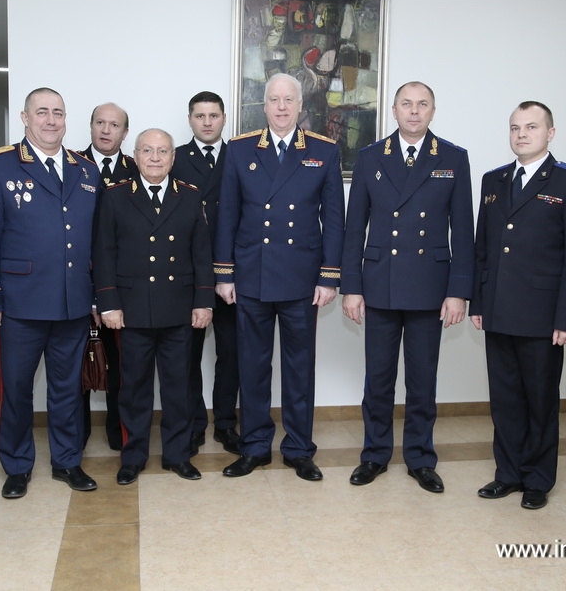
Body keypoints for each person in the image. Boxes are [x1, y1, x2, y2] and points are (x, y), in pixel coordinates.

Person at [340, 81, 474, 494]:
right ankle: (374, 454)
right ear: (394, 110)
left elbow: (463, 230)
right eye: (406, 104)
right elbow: (354, 229)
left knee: (422, 380)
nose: (414, 111)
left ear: (433, 111)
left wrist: (458, 291)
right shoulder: (370, 157)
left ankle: (420, 458)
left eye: (422, 104)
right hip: (379, 284)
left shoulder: (452, 157)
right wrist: (351, 287)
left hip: (430, 287)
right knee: (378, 379)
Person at [0, 87, 100, 499]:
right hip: (19, 305)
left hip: (72, 302)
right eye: (41, 112)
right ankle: (17, 464)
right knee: (16, 390)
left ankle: (67, 461)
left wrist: (97, 296)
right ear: (25, 118)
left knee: (67, 389)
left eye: (57, 112)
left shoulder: (85, 170)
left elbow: (95, 242)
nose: (50, 120)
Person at [215, 73, 344, 482]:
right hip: (251, 275)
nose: (282, 107)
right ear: (264, 105)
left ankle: (299, 449)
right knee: (252, 367)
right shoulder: (240, 149)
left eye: (289, 100)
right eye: (274, 100)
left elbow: (334, 220)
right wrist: (224, 273)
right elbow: (227, 215)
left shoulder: (323, 150)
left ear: (301, 105)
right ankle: (255, 446)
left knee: (299, 368)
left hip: (301, 279)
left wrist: (329, 276)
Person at [469, 101, 566, 509]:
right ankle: (507, 473)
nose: (522, 134)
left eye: (532, 127)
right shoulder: (494, 179)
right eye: (515, 127)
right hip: (498, 308)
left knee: (540, 401)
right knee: (504, 400)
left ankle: (538, 479)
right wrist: (478, 302)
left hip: (544, 314)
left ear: (550, 133)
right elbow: (483, 248)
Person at [94, 128, 215, 484]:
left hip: (178, 309)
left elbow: (202, 255)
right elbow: (103, 252)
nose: (155, 158)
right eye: (147, 150)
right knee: (133, 389)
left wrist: (203, 302)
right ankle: (132, 457)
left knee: (179, 388)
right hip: (131, 311)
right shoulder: (115, 196)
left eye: (163, 151)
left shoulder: (190, 196)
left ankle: (177, 456)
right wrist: (108, 303)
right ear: (135, 156)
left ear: (173, 158)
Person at [171, 91, 240, 456]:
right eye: (200, 116)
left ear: (224, 118)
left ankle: (226, 423)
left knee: (232, 353)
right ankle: (194, 423)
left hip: (231, 271)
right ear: (190, 120)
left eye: (214, 115)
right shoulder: (175, 158)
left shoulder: (241, 156)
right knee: (186, 354)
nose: (208, 122)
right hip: (187, 272)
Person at [79, 102, 137, 451]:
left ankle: (119, 433)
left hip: (121, 287)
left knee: (121, 366)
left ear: (125, 133)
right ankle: (77, 435)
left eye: (114, 125)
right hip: (78, 283)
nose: (105, 130)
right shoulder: (72, 165)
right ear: (91, 126)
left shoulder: (137, 169)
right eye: (100, 122)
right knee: (78, 366)